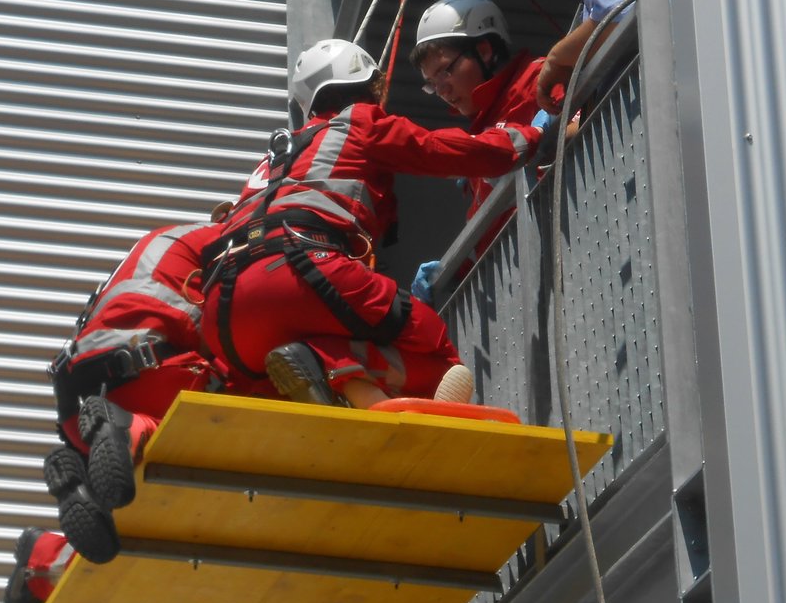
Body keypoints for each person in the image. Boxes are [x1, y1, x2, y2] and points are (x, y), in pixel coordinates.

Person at [200, 38, 542, 410]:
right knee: (435, 355)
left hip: (224, 313)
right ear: (363, 89)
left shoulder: (270, 163)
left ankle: (333, 378)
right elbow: (442, 151)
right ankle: (329, 364)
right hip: (302, 270)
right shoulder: (358, 123)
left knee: (282, 383)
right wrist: (527, 137)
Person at [42, 219, 223, 565]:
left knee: (118, 453)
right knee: (232, 395)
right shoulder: (230, 238)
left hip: (90, 380)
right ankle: (130, 430)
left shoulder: (157, 242)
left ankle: (85, 479)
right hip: (154, 365)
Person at [407, 0, 548, 302]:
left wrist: (545, 136)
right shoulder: (481, 136)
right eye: (432, 83)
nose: (441, 91)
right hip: (520, 288)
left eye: (445, 71)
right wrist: (454, 269)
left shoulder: (539, 80)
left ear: (484, 51)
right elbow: (488, 230)